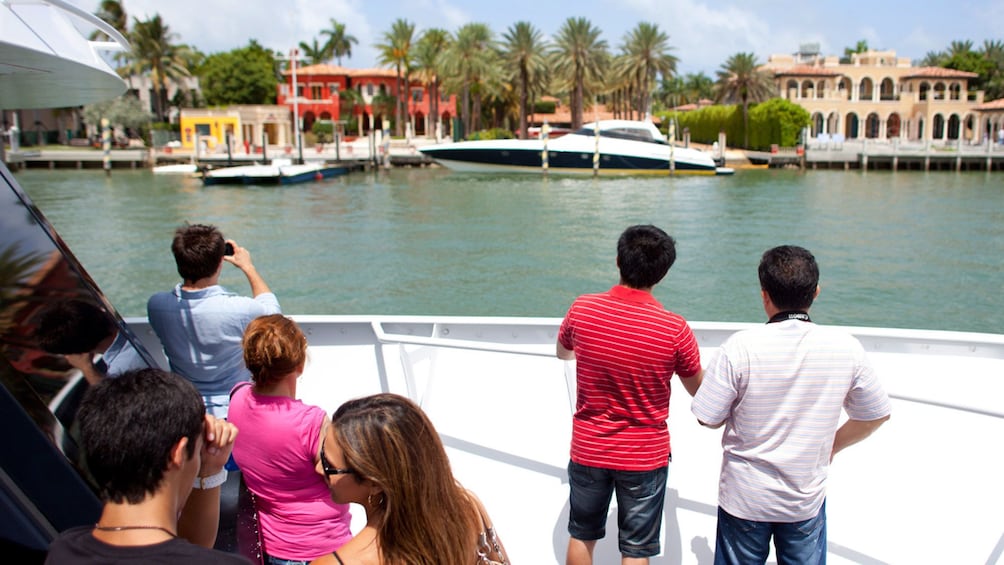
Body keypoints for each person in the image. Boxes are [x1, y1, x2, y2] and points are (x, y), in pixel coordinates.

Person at [691, 245, 892, 565]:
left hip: (744, 499)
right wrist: (831, 446)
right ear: (816, 292)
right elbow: (875, 414)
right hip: (804, 500)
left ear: (764, 295)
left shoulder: (739, 347)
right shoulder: (846, 347)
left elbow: (707, 417)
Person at [556, 224, 703, 565]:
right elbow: (700, 390)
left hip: (589, 446)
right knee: (636, 550)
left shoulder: (583, 309)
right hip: (643, 455)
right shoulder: (674, 329)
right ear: (662, 274)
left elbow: (563, 353)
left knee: (582, 535)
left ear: (618, 260)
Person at [45, 368, 248, 564]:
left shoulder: (63, 551)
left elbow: (187, 550)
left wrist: (208, 471)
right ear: (177, 453)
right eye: (197, 449)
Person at [312, 393, 507, 565]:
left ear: (374, 483)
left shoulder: (337, 563)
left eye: (329, 465)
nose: (319, 468)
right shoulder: (466, 506)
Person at [228, 315, 352, 564]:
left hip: (273, 546)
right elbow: (342, 481)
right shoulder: (312, 422)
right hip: (324, 547)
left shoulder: (237, 398)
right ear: (299, 365)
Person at [147, 223, 281, 418]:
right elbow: (275, 318)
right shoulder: (240, 310)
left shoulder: (156, 306)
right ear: (220, 263)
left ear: (178, 262)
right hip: (235, 409)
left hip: (185, 407)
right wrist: (248, 267)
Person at [36, 298, 148, 384]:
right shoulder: (139, 315)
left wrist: (86, 367)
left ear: (78, 350)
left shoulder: (123, 373)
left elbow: (122, 405)